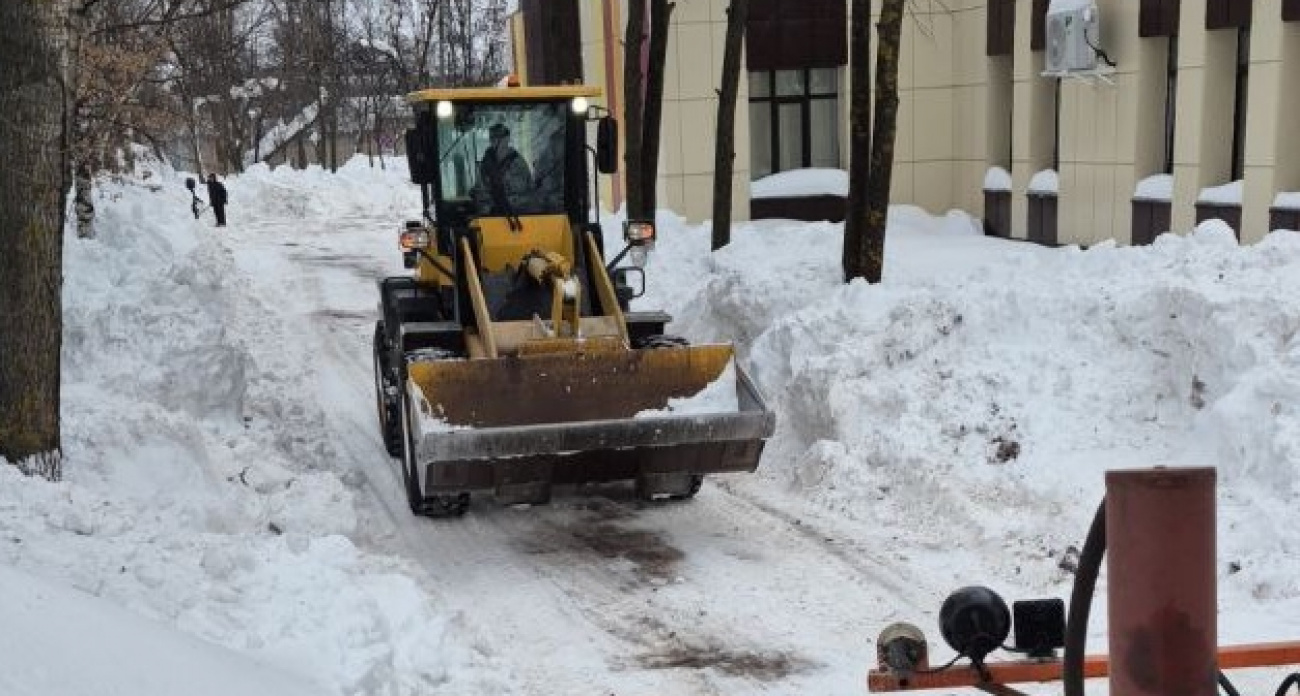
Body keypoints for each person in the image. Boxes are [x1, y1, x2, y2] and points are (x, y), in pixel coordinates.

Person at [473, 123, 533, 216]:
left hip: (519, 218)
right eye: (492, 139)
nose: (495, 142)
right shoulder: (485, 166)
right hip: (492, 219)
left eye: (499, 138)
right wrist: (489, 210)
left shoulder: (518, 163)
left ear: (507, 139)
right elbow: (480, 195)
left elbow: (529, 191)